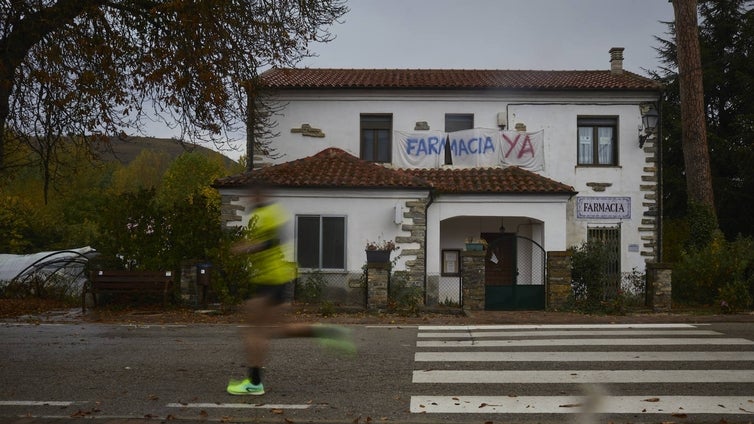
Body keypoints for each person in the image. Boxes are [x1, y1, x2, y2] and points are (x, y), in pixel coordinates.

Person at [226, 184, 355, 396]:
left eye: (252, 193)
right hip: (274, 279)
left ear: (260, 193)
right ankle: (323, 331)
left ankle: (254, 382)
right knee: (277, 329)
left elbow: (273, 241)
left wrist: (246, 247)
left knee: (253, 331)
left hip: (271, 279)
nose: (249, 197)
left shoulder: (269, 213)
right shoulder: (263, 214)